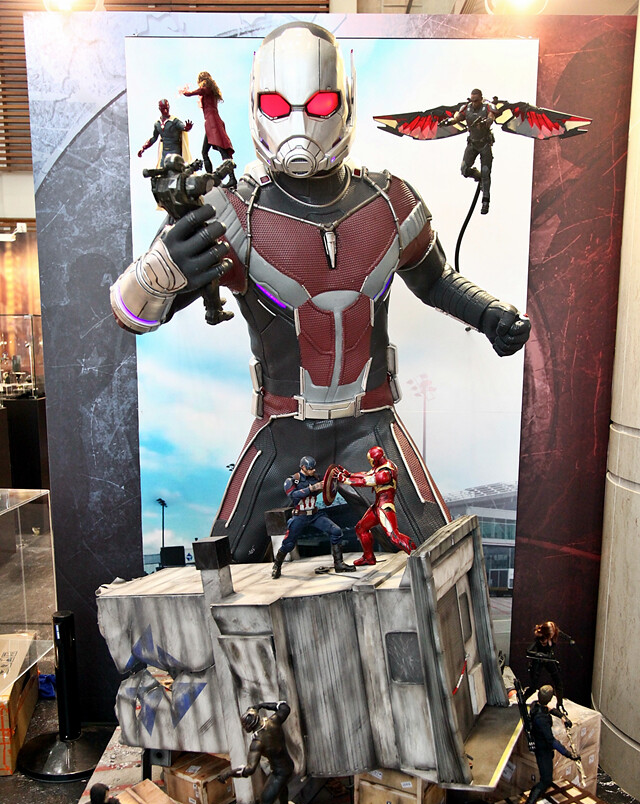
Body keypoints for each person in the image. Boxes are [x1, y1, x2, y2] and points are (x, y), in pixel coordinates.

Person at [111, 22, 530, 565]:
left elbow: (434, 280)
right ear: (258, 106)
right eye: (277, 106)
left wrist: (489, 314)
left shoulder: (391, 202)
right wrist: (160, 269)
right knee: (217, 572)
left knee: (441, 560)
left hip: (371, 424)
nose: (299, 121)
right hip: (283, 431)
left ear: (344, 101)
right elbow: (132, 314)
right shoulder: (232, 212)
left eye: (319, 103)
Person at [219, 701, 294, 804]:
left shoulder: (258, 742)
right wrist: (263, 705)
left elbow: (249, 770)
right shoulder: (274, 721)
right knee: (281, 785)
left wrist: (229, 773)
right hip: (288, 765)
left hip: (279, 772)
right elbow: (284, 707)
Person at [272, 455, 354, 579]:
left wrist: (336, 477)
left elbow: (330, 482)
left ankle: (339, 564)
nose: (313, 470)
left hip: (315, 514)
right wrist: (312, 488)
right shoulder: (292, 480)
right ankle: (277, 566)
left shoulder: (316, 477)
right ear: (303, 467)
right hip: (300, 516)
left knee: (336, 531)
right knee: (288, 544)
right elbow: (293, 495)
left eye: (313, 468)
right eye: (310, 468)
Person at [336, 445, 415, 566]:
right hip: (377, 506)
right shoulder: (380, 466)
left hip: (385, 507)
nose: (370, 463)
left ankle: (418, 556)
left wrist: (346, 480)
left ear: (376, 459)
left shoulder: (386, 472)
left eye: (371, 460)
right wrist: (350, 475)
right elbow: (366, 474)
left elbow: (366, 481)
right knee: (361, 528)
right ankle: (369, 558)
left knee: (394, 536)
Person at [521, 686, 579, 804]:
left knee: (547, 778)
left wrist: (563, 717)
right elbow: (551, 740)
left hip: (544, 747)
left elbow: (550, 709)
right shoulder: (541, 719)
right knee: (545, 780)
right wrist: (569, 754)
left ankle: (537, 798)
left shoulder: (536, 705)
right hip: (543, 750)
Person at [179, 72, 236, 188]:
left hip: (212, 122)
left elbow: (194, 92)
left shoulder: (206, 88)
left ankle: (231, 178)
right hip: (212, 122)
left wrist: (185, 92)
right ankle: (211, 178)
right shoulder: (211, 90)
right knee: (206, 151)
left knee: (222, 150)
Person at [453, 89, 497, 215]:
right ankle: (478, 176)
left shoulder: (487, 107)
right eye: (472, 101)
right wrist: (450, 121)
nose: (474, 103)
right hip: (472, 144)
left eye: (476, 101)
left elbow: (491, 117)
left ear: (481, 99)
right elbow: (458, 117)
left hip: (484, 145)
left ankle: (485, 201)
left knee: (486, 172)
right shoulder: (466, 108)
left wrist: (485, 122)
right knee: (464, 169)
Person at [137, 99, 192, 164]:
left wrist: (187, 128)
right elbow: (154, 138)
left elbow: (183, 128)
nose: (165, 111)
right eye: (163, 109)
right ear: (159, 109)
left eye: (167, 108)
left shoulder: (174, 121)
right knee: (162, 168)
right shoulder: (158, 123)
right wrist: (143, 148)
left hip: (175, 152)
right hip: (164, 154)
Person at [523, 620, 564, 707]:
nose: (553, 634)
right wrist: (539, 654)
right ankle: (523, 700)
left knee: (558, 682)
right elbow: (528, 651)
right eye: (551, 633)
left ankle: (560, 704)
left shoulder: (552, 639)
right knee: (534, 686)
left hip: (549, 660)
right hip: (539, 661)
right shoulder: (539, 640)